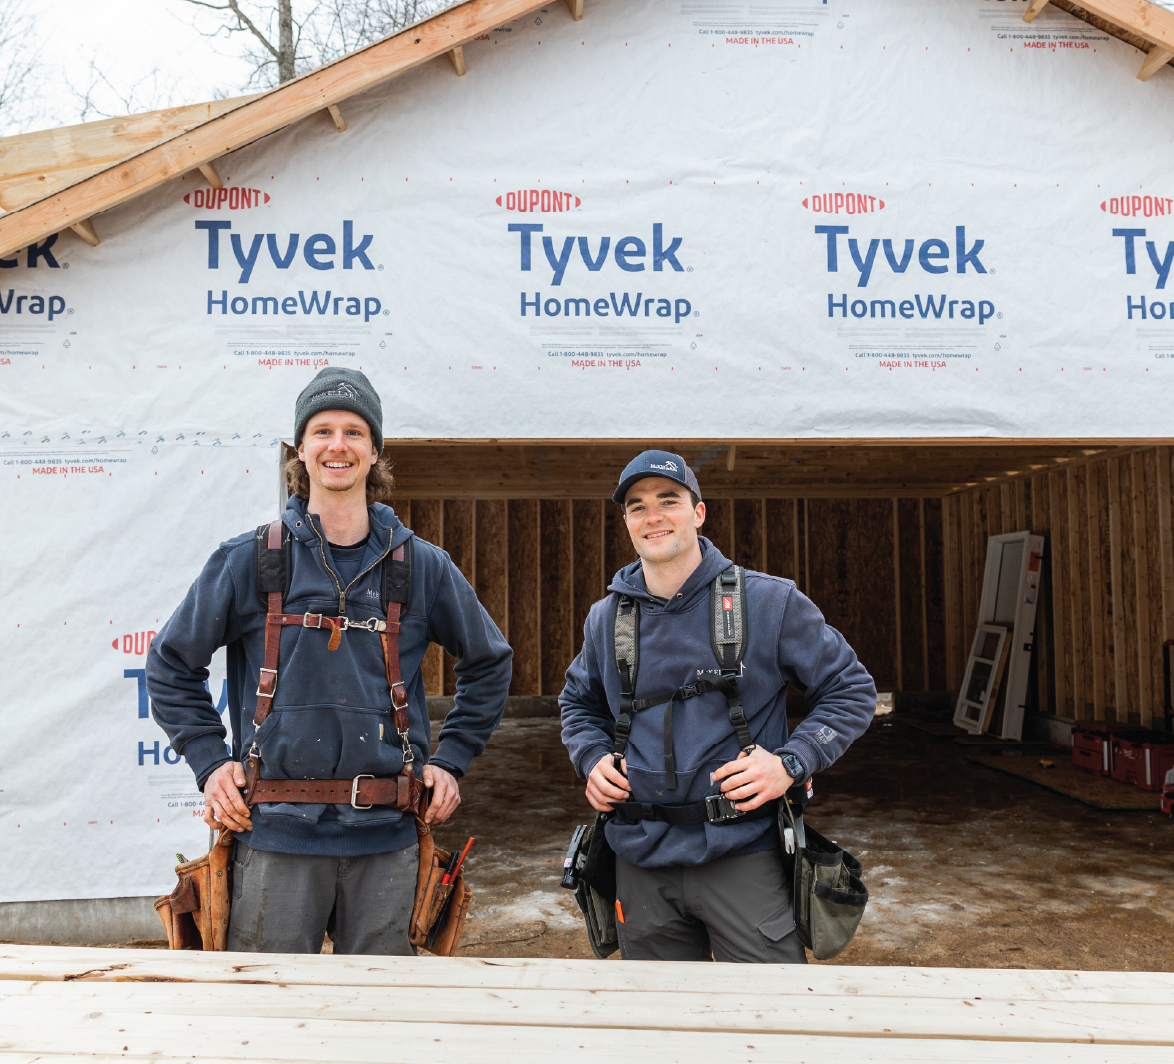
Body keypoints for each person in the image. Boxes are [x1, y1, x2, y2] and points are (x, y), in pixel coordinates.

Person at [146, 367, 512, 955]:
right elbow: (169, 664)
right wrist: (212, 763)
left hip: (388, 841)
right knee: (268, 1015)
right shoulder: (249, 560)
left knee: (380, 1019)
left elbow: (490, 662)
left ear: (374, 453)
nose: (337, 445)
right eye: (321, 431)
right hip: (274, 839)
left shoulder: (420, 566)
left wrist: (453, 759)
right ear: (301, 451)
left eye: (353, 432)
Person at [559, 450, 875, 963]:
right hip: (639, 861)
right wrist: (592, 758)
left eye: (669, 500)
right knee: (662, 1030)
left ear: (699, 512)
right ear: (626, 522)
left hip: (742, 854)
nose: (653, 515)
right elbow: (577, 702)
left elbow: (851, 688)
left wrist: (791, 762)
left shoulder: (769, 603)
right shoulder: (606, 618)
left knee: (768, 1020)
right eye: (637, 506)